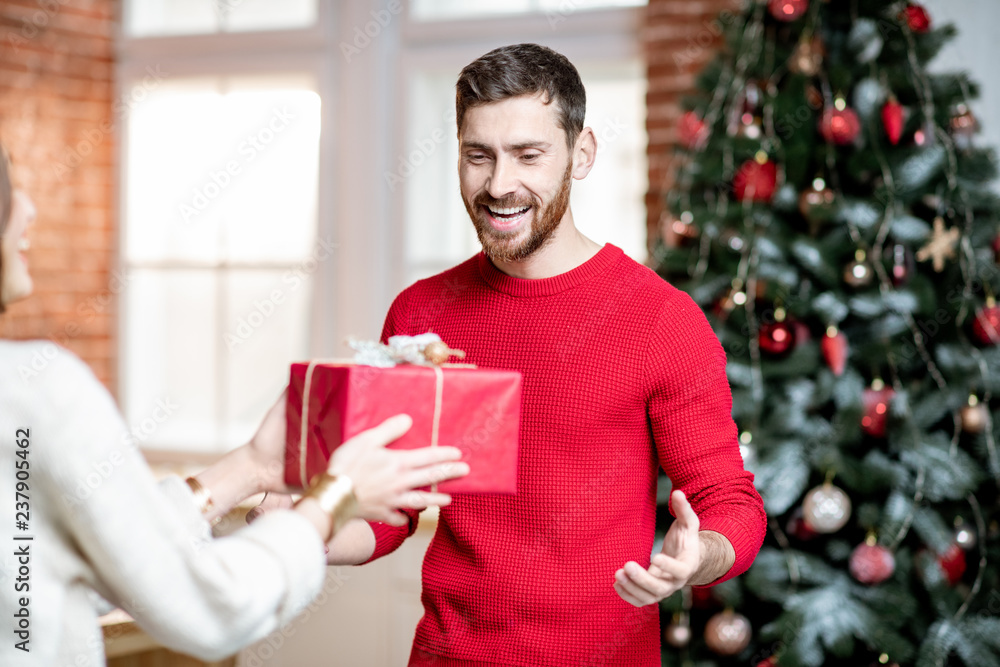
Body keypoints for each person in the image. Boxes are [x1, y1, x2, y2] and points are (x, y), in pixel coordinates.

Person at [255, 43, 768, 666]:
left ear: (581, 155)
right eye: (479, 156)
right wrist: (300, 530)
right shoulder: (421, 312)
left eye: (529, 155)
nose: (499, 185)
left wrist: (700, 555)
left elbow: (728, 500)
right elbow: (394, 512)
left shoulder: (660, 319)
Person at [0, 144, 470, 666]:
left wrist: (251, 466)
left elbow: (55, 581)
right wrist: (333, 497)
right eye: (6, 189)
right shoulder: (36, 389)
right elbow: (210, 608)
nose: (28, 208)